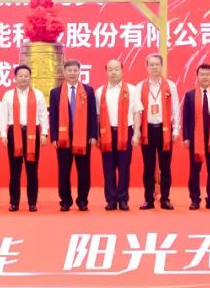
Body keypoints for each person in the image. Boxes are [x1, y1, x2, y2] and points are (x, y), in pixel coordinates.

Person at [48, 59, 98, 211]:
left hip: (83, 137)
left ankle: (82, 200)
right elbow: (53, 117)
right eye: (69, 70)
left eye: (75, 70)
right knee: (64, 171)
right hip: (63, 138)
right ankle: (65, 201)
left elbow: (93, 115)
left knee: (84, 171)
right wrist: (54, 137)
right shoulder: (55, 92)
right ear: (64, 72)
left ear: (79, 71)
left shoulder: (88, 91)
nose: (72, 73)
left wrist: (93, 135)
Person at [0, 65, 48, 211]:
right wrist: (3, 134)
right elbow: (3, 115)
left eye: (26, 76)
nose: (23, 78)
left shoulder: (38, 94)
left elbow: (43, 114)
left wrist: (44, 133)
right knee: (15, 170)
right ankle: (14, 202)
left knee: (32, 170)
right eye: (20, 76)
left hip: (33, 133)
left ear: (30, 77)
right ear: (15, 78)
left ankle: (32, 202)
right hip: (14, 133)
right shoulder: (8, 95)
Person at [134, 53, 180, 210]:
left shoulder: (171, 86)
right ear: (147, 67)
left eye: (157, 65)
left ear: (161, 66)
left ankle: (165, 199)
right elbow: (137, 111)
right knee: (148, 167)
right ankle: (149, 199)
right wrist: (137, 132)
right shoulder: (140, 87)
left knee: (165, 167)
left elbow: (175, 108)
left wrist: (176, 130)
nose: (154, 67)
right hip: (147, 130)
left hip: (164, 130)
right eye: (151, 65)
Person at [97, 59, 143, 211]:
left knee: (124, 168)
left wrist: (136, 134)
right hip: (106, 133)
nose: (114, 72)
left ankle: (123, 199)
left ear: (122, 70)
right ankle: (111, 200)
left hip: (126, 132)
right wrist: (97, 135)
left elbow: (137, 112)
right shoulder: (100, 92)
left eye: (117, 69)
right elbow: (97, 116)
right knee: (108, 168)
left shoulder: (132, 89)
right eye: (110, 69)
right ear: (106, 72)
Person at [182, 63, 210, 210]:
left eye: (207, 74)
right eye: (202, 74)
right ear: (197, 76)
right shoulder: (190, 95)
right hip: (196, 139)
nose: (205, 77)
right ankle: (195, 199)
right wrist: (186, 137)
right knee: (195, 170)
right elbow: (186, 118)